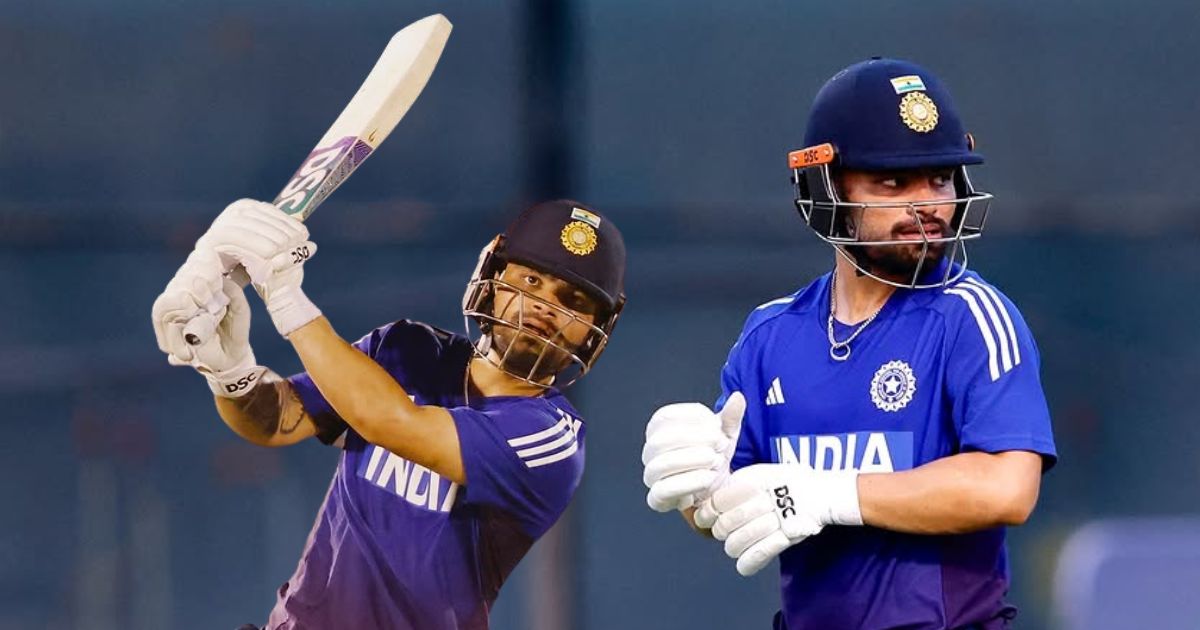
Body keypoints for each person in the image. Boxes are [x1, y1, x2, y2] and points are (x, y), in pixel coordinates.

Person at [640, 57, 1056, 630]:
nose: (927, 205)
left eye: (940, 178)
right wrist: (698, 489)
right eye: (893, 182)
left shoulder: (971, 316)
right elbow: (743, 506)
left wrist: (832, 494)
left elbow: (1007, 488)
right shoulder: (770, 335)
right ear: (826, 188)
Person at [151, 198, 625, 629]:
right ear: (494, 276)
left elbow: (392, 422)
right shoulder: (406, 349)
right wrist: (231, 372)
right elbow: (276, 421)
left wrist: (286, 298)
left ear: (594, 329)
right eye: (531, 280)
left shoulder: (550, 437)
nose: (543, 307)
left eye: (573, 301)